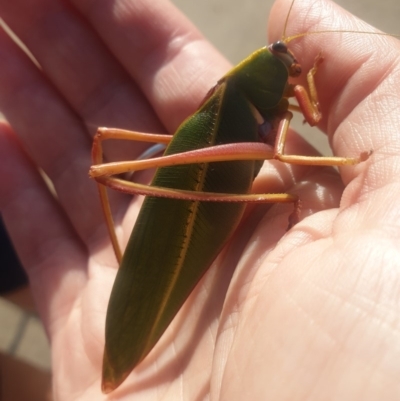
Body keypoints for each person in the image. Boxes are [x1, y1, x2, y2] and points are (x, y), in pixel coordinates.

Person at [1, 0, 400, 398]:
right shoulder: (245, 97)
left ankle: (131, 286)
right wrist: (346, 161)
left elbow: (305, 113)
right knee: (117, 158)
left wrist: (305, 77)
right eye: (287, 63)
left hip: (217, 167)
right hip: (211, 174)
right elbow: (279, 148)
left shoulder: (257, 94)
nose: (292, 67)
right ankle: (130, 284)